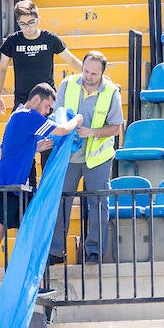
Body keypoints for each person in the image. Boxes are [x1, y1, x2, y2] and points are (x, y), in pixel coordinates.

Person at [0, 83, 83, 298]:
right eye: (47, 107)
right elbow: (62, 129)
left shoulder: (23, 118)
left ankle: (35, 285)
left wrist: (47, 145)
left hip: (22, 188)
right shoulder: (25, 115)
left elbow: (30, 146)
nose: (48, 112)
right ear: (36, 100)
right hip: (6, 184)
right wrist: (76, 120)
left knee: (30, 236)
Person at [48, 51, 124, 266]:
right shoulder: (67, 84)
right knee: (61, 201)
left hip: (97, 158)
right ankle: (55, 251)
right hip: (68, 155)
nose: (88, 76)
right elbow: (56, 117)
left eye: (93, 73)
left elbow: (116, 128)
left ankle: (94, 252)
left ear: (102, 73)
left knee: (98, 203)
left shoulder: (111, 92)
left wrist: (92, 132)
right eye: (86, 71)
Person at [0, 0, 83, 116]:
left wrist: (90, 73)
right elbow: (2, 68)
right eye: (23, 24)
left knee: (50, 133)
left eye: (31, 22)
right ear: (18, 23)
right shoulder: (13, 41)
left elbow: (71, 60)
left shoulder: (50, 39)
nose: (28, 27)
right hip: (23, 101)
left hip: (47, 100)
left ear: (38, 19)